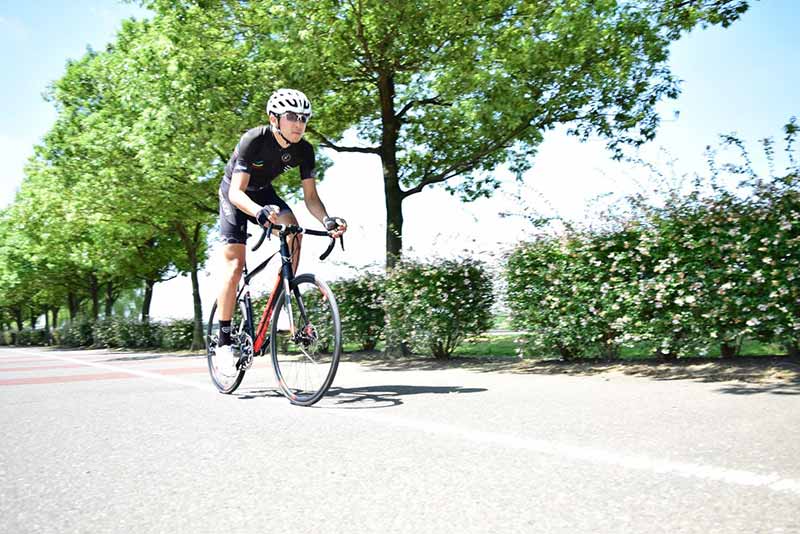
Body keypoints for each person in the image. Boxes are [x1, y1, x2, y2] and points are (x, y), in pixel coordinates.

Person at [215, 88, 347, 376]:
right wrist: (258, 212)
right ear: (274, 118)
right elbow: (236, 193)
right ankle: (223, 342)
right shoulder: (254, 139)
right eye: (292, 117)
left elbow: (311, 198)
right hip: (235, 195)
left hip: (264, 193)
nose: (299, 124)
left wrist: (327, 221)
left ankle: (283, 300)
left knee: (294, 233)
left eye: (304, 118)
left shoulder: (304, 150)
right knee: (234, 266)